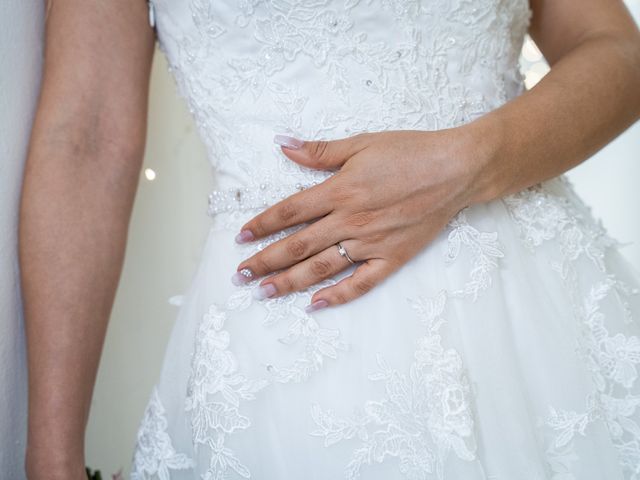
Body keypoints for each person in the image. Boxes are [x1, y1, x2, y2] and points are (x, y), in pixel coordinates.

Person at [19, 0, 640, 479]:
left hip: (546, 314)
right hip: (288, 349)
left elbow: (616, 50)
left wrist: (463, 163)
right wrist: (51, 462)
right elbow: (86, 138)